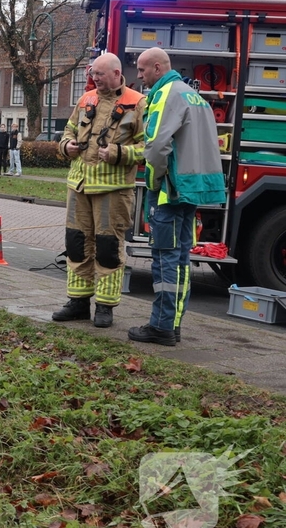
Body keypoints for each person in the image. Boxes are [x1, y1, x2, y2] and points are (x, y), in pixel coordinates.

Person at [128, 47, 226, 345]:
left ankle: (161, 326)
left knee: (165, 259)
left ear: (158, 68)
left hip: (170, 191)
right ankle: (173, 322)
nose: (140, 76)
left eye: (143, 70)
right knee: (181, 259)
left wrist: (154, 181)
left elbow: (156, 145)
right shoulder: (194, 96)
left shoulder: (164, 95)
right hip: (191, 190)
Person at [51, 53, 146, 329]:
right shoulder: (86, 99)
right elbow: (68, 131)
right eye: (93, 75)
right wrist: (65, 146)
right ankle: (78, 303)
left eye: (100, 75)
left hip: (113, 190)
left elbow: (148, 147)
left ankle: (105, 307)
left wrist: (118, 153)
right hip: (79, 185)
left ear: (117, 74)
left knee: (108, 248)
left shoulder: (137, 103)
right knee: (76, 244)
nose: (95, 80)